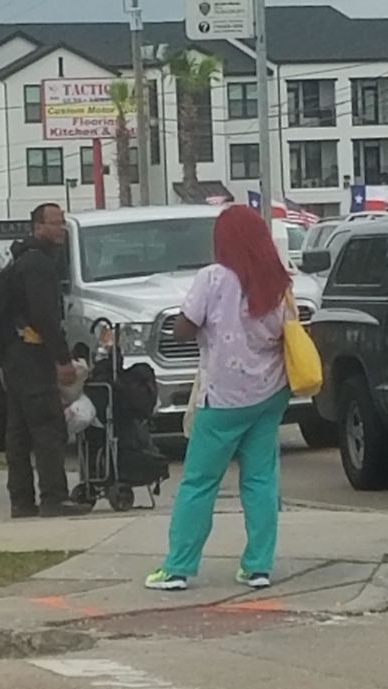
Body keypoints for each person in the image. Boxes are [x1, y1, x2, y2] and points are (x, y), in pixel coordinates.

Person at [146, 205, 292, 592]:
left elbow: (182, 328)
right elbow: (284, 332)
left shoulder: (212, 278)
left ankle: (178, 568)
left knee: (199, 482)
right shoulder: (276, 280)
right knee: (260, 480)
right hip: (270, 391)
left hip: (223, 396)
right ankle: (258, 566)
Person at [1, 203, 87, 519]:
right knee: (47, 426)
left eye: (63, 222)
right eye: (55, 223)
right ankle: (54, 498)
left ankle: (21, 501)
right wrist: (62, 359)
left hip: (13, 355)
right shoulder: (37, 264)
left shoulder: (21, 259)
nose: (61, 228)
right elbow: (44, 316)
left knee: (19, 431)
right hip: (31, 355)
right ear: (37, 226)